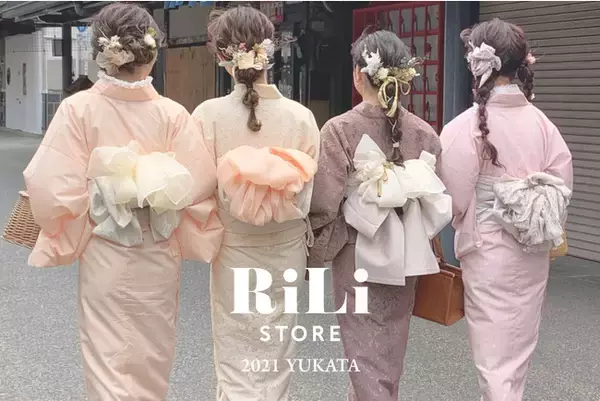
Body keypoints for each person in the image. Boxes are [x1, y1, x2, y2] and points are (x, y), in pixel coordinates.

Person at [23, 3, 223, 400]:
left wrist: (89, 213)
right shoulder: (172, 114)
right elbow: (199, 182)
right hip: (157, 250)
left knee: (107, 356)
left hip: (105, 250)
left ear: (102, 53)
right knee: (152, 353)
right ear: (151, 54)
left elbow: (51, 186)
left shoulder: (78, 109)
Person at [308, 28, 451, 401]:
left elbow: (323, 204)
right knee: (389, 351)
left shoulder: (339, 130)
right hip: (406, 254)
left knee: (364, 355)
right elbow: (436, 197)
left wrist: (313, 253)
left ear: (359, 75)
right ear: (403, 78)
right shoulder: (424, 134)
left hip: (357, 250)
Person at [439, 18, 573, 401]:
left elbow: (452, 198)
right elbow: (560, 185)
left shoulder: (466, 127)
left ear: (478, 65)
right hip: (532, 251)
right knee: (518, 349)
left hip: (488, 250)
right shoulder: (543, 125)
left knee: (493, 356)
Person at [192, 6, 320, 401]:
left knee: (234, 349)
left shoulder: (208, 116)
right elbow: (308, 196)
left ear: (222, 56)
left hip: (234, 247)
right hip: (285, 248)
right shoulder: (301, 118)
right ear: (270, 52)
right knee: (277, 348)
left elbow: (197, 191)